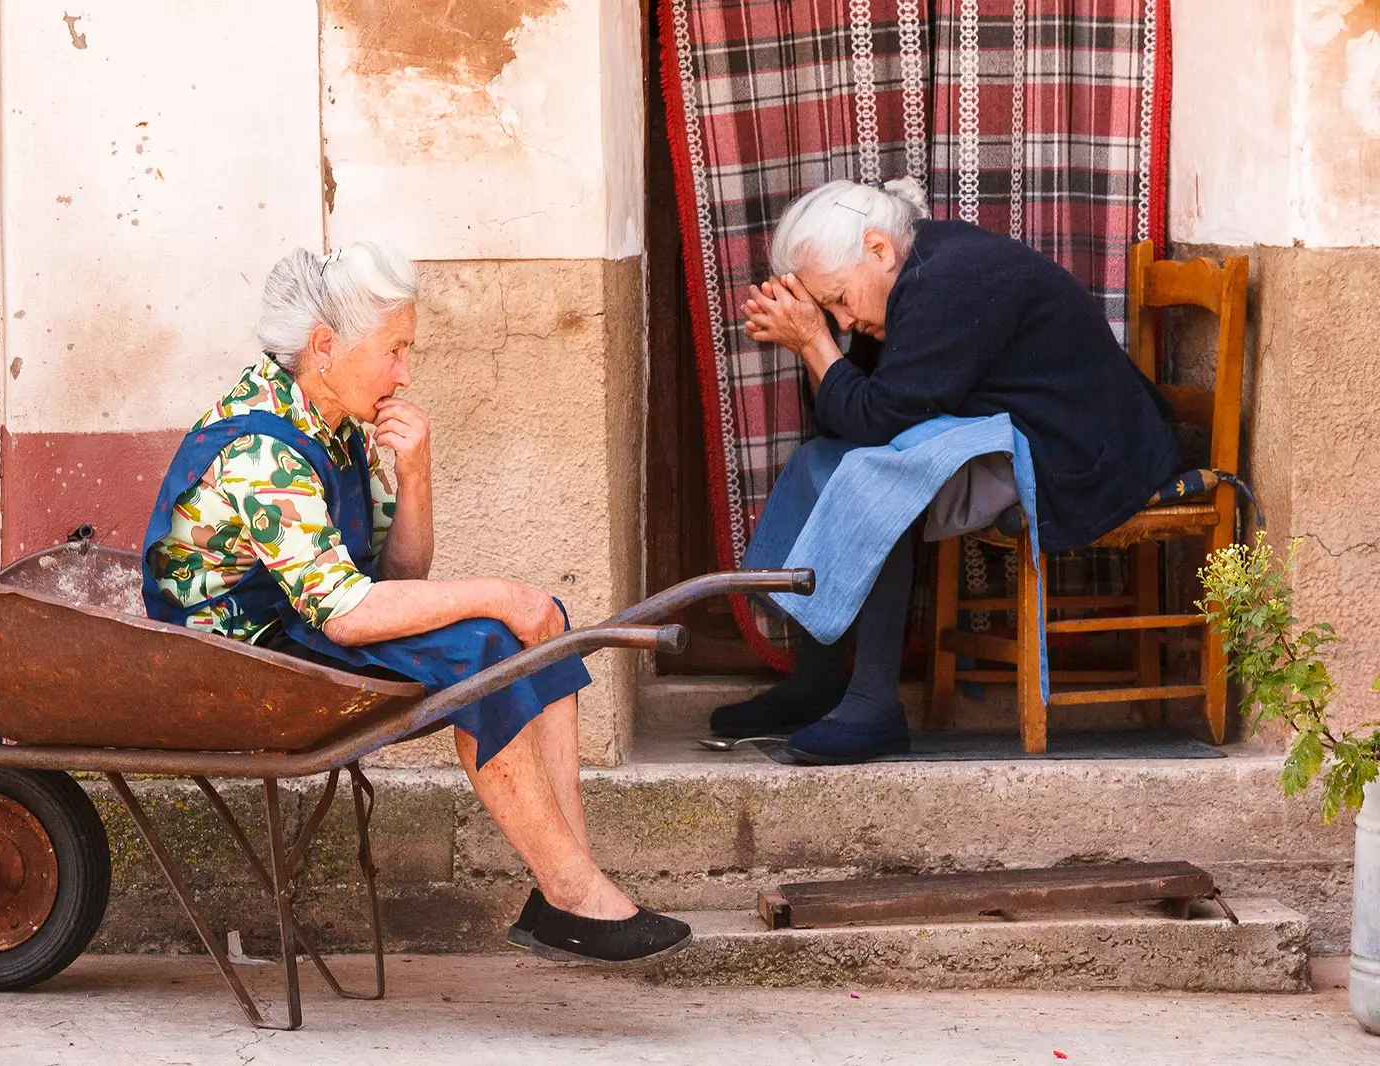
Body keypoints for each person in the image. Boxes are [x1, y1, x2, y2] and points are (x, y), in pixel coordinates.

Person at [143, 241, 689, 964]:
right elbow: (343, 611)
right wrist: (501, 595)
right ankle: (571, 891)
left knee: (543, 624)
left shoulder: (335, 422)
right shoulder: (263, 448)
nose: (406, 371)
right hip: (238, 659)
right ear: (325, 345)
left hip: (301, 626)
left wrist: (417, 471)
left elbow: (397, 572)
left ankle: (571, 885)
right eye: (394, 350)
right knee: (491, 641)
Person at [711, 178, 1180, 764]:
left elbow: (877, 421)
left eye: (837, 299)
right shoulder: (906, 278)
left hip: (1079, 455)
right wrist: (818, 341)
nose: (844, 321)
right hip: (1010, 435)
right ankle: (819, 679)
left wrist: (813, 342)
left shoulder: (948, 282)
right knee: (820, 461)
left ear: (878, 249)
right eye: (828, 310)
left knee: (877, 477)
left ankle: (874, 704)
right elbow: (845, 422)